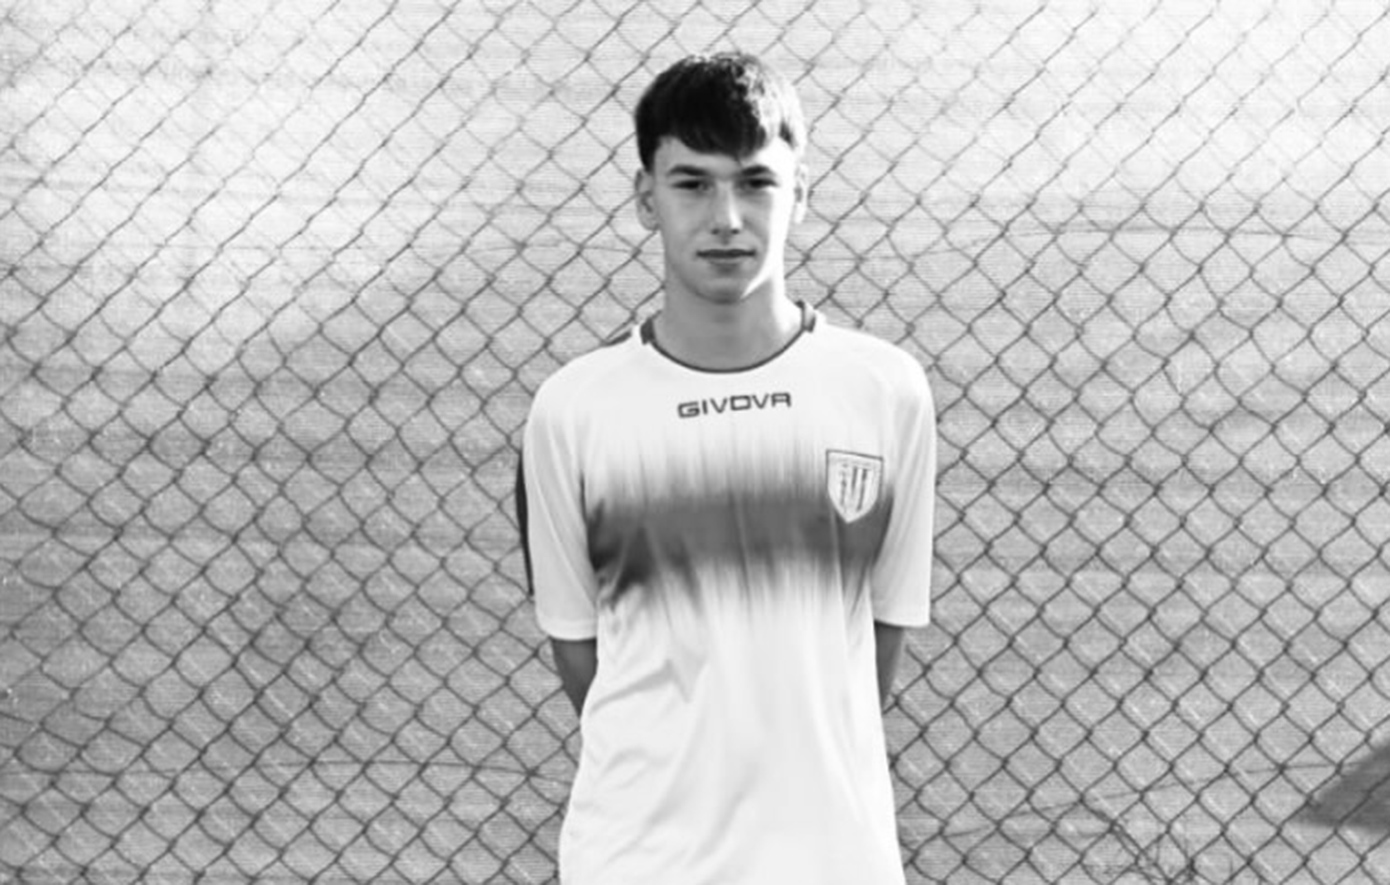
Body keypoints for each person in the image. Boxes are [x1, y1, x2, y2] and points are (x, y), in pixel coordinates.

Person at [515, 51, 936, 885]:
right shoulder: (573, 410)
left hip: (833, 860)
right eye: (693, 184)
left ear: (800, 193)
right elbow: (578, 646)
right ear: (646, 198)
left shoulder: (884, 391)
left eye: (755, 182)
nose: (727, 218)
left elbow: (880, 633)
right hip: (635, 862)